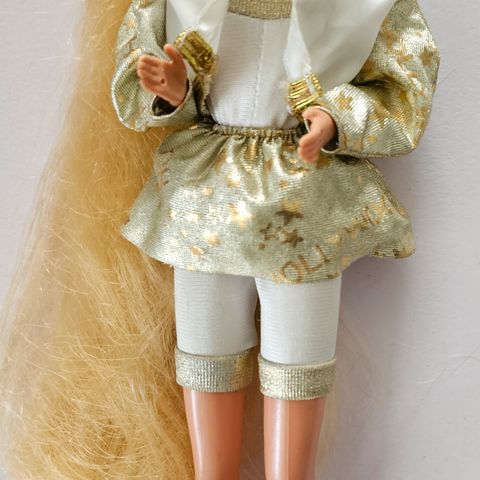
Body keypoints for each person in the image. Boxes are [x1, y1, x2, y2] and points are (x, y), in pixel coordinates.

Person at [0, 0, 440, 478]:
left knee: (298, 360)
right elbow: (146, 76)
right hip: (205, 199)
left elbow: (402, 87)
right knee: (207, 353)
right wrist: (175, 92)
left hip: (303, 202)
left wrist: (336, 117)